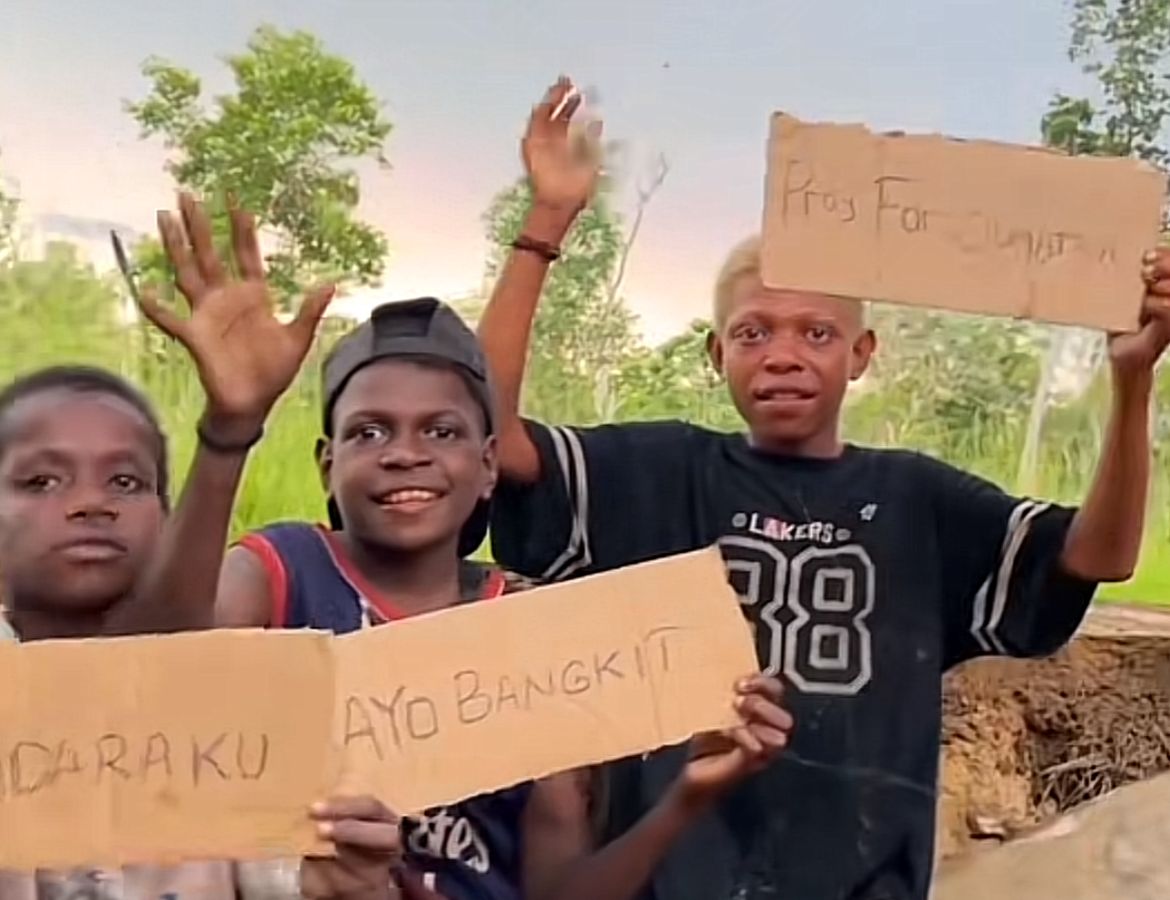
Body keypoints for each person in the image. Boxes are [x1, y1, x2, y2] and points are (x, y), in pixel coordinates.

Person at [474, 78, 1170, 900]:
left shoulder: (919, 502)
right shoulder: (656, 475)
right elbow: (491, 433)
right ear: (715, 355)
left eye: (817, 332)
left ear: (862, 353)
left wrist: (1132, 382)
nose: (783, 354)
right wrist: (544, 225)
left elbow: (1102, 553)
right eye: (753, 332)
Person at [108, 193, 794, 900]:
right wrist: (230, 429)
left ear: (490, 464)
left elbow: (556, 886)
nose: (406, 454)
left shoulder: (532, 628)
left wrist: (684, 800)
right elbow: (149, 676)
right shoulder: (282, 571)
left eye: (442, 432)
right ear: (325, 463)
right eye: (370, 432)